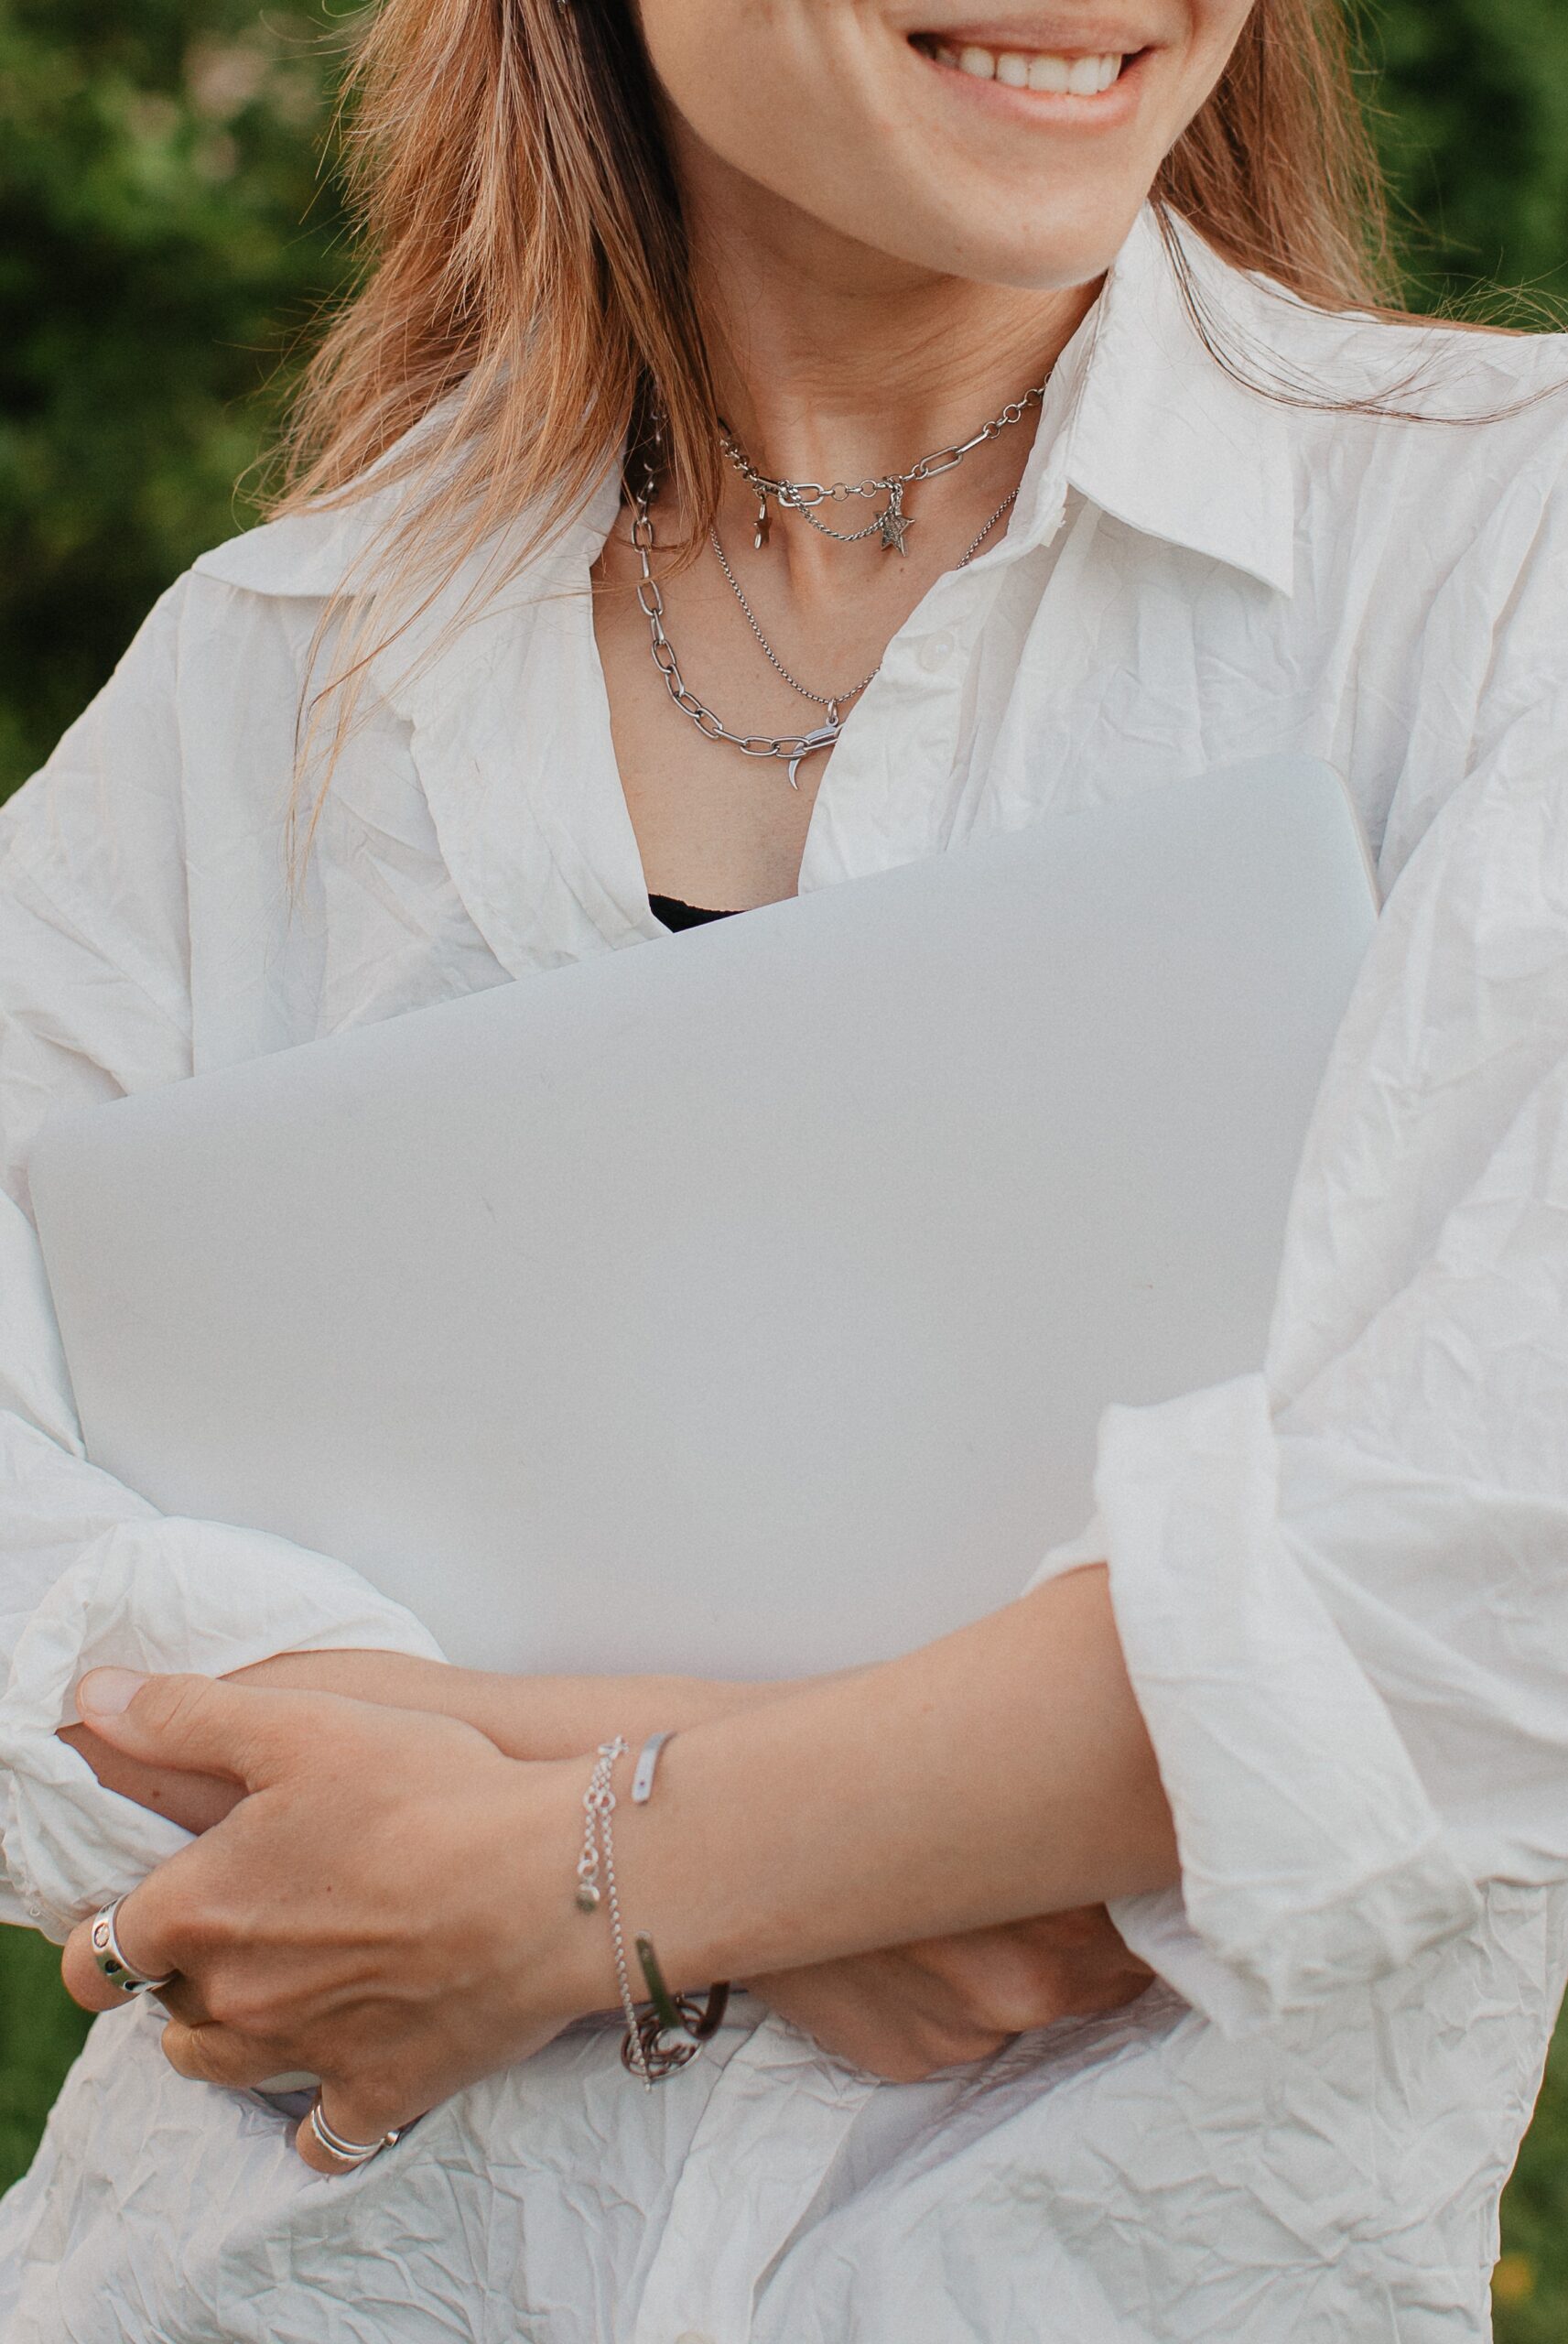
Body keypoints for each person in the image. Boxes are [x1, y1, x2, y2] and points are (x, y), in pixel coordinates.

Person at [0, 0, 1565, 2335]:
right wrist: (755, 1831)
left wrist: (553, 1877)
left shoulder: (1493, 552)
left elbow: (1475, 1569)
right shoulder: (270, 672)